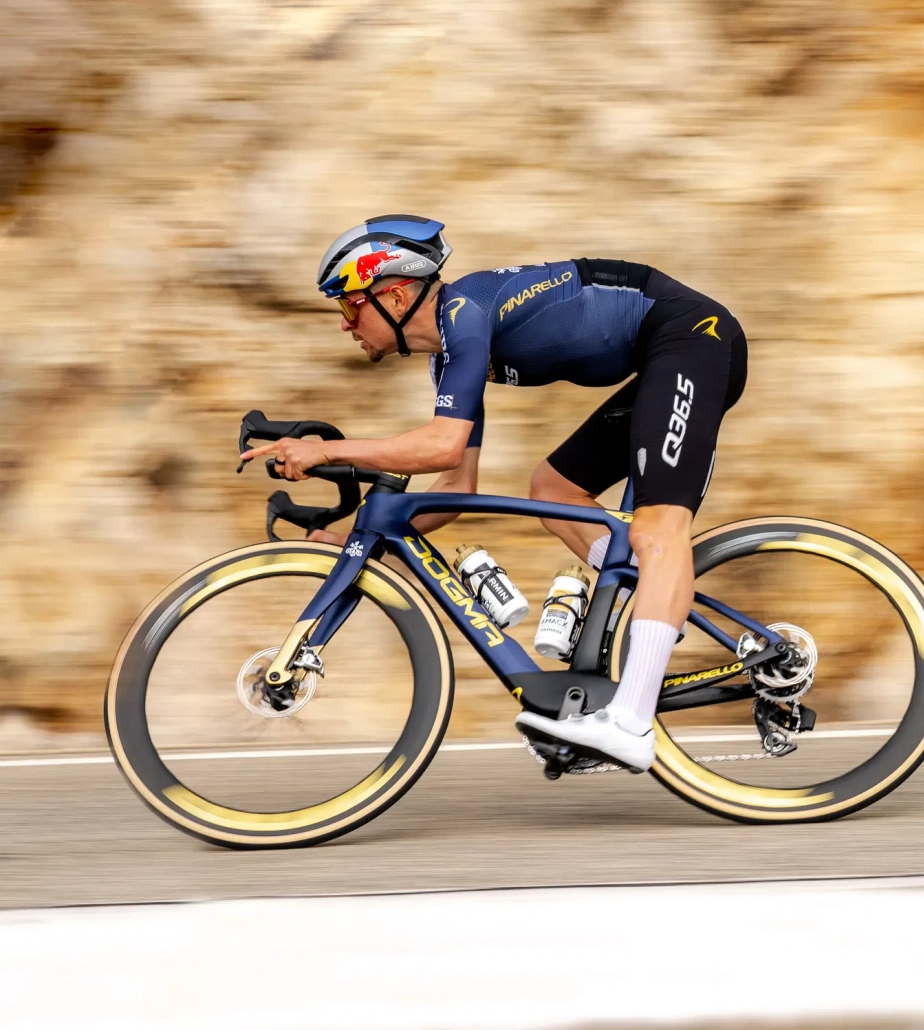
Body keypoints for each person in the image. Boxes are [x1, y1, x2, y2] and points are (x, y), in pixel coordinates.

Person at [239, 215, 747, 772]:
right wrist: (341, 538)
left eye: (349, 305)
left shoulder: (463, 313)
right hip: (659, 359)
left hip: (693, 337)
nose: (344, 323)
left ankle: (629, 723)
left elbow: (442, 446)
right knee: (554, 489)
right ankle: (655, 604)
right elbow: (457, 488)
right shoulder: (451, 353)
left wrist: (328, 451)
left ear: (396, 293)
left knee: (656, 529)